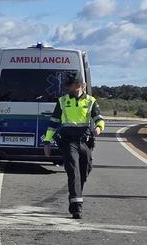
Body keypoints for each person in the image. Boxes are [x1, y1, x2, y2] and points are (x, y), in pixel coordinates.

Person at [42, 72, 104, 219]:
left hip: (84, 140)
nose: (66, 89)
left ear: (78, 86)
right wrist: (47, 142)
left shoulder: (90, 101)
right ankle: (77, 207)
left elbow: (99, 119)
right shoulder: (62, 101)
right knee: (73, 171)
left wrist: (99, 128)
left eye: (69, 86)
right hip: (68, 141)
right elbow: (53, 123)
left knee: (85, 168)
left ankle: (75, 195)